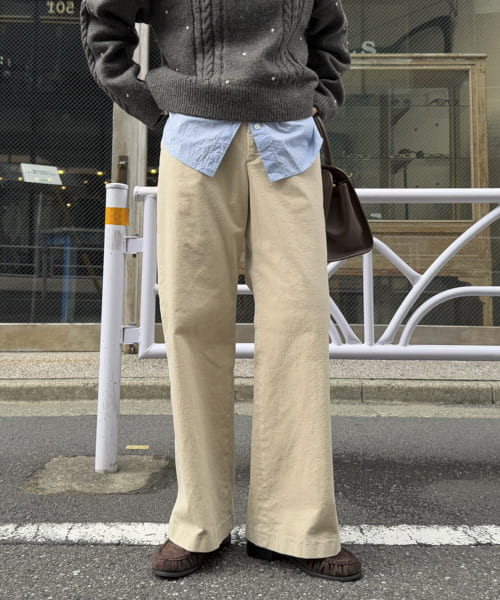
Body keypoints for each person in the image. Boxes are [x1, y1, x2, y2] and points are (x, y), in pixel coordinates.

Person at [81, 0, 362, 582]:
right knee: (192, 325)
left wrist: (321, 99)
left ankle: (296, 526)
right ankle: (198, 521)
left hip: (289, 138)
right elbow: (104, 19)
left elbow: (329, 32)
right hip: (193, 137)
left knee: (299, 326)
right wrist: (152, 107)